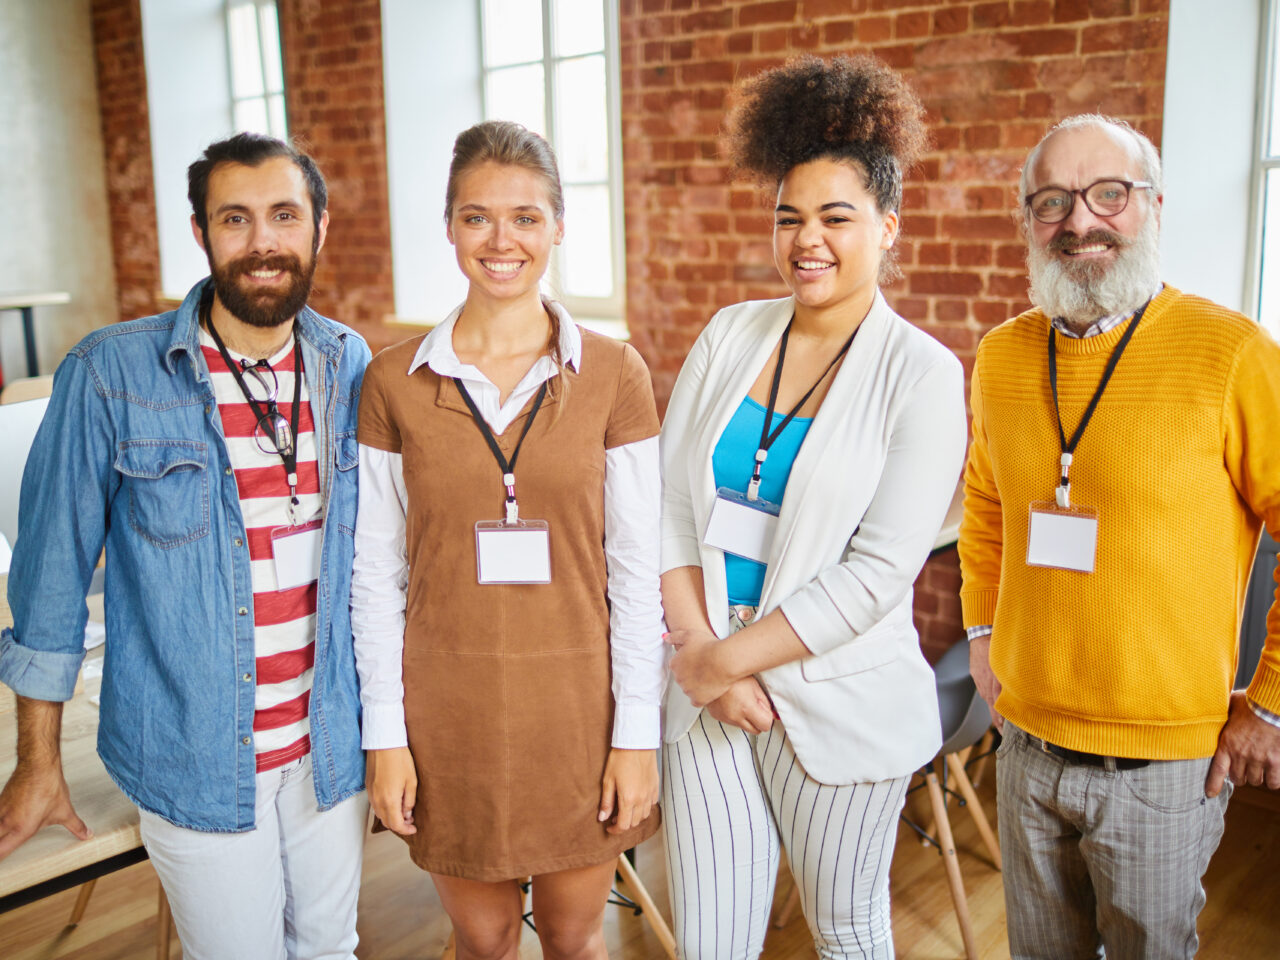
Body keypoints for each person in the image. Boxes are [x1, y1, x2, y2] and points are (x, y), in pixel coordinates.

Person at [0, 132, 371, 959]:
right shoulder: (108, 374)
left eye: (284, 215)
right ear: (200, 233)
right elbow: (51, 579)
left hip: (329, 748)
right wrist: (37, 761)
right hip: (194, 750)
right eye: (235, 218)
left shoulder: (350, 366)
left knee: (331, 952)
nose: (263, 242)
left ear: (319, 227)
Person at [659, 55, 967, 959]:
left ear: (888, 227)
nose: (808, 240)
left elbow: (875, 577)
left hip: (834, 705)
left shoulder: (923, 374)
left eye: (837, 217)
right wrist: (698, 656)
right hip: (705, 690)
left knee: (846, 932)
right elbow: (671, 503)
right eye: (789, 217)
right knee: (710, 941)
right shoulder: (730, 332)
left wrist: (723, 661)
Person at [959, 113, 1280, 959]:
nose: (1081, 221)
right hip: (1025, 749)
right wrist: (983, 635)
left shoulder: (1233, 354)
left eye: (1109, 194)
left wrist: (1275, 706)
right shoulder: (1000, 357)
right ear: (1028, 220)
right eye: (1053, 201)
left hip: (1163, 771)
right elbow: (986, 508)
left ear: (1155, 206)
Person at [351, 120, 664, 960]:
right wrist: (385, 736)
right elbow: (373, 575)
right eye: (478, 217)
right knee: (481, 941)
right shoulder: (392, 381)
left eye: (526, 217)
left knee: (573, 937)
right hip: (445, 712)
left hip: (580, 710)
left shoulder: (614, 375)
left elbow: (637, 574)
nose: (502, 241)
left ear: (559, 226)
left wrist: (637, 735)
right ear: (449, 227)